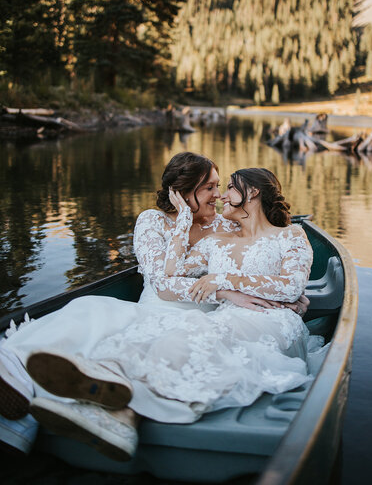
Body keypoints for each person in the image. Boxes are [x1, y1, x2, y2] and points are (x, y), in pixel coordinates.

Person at [0, 153, 308, 456]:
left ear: (251, 193)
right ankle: (16, 371)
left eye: (222, 186)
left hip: (212, 316)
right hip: (165, 306)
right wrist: (221, 286)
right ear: (183, 193)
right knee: (91, 310)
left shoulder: (227, 227)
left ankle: (97, 403)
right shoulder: (155, 221)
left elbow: (264, 259)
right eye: (211, 187)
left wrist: (285, 294)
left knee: (170, 340)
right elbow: (165, 281)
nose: (219, 195)